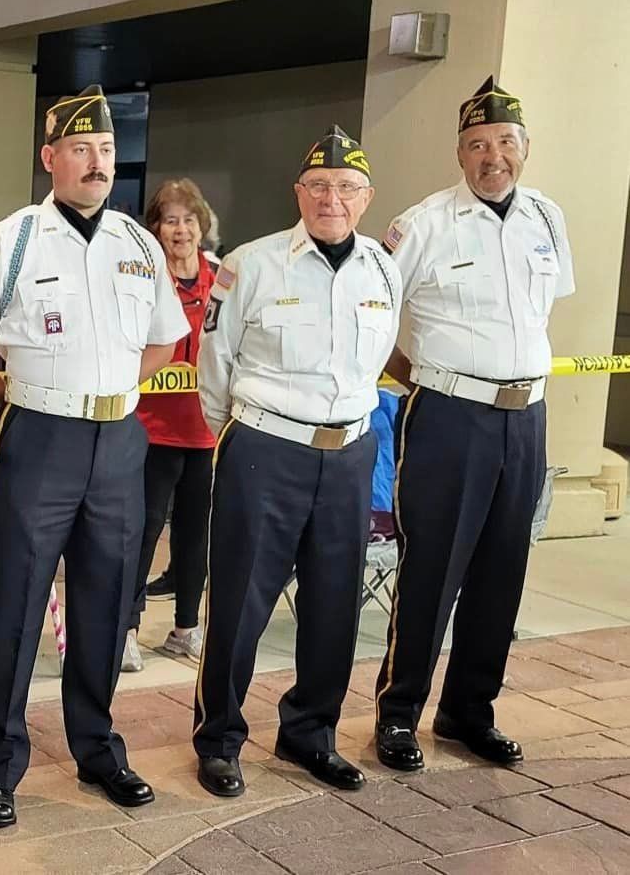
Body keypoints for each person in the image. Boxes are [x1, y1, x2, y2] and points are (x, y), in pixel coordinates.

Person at [0, 84, 188, 828]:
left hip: (117, 441)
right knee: (14, 601)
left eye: (106, 150)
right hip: (38, 439)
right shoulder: (8, 240)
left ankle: (96, 748)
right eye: (80, 149)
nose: (96, 163)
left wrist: (108, 395)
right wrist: (9, 400)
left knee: (107, 600)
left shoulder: (138, 243)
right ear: (50, 157)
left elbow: (163, 339)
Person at [373, 78, 575, 773]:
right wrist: (421, 377)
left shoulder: (545, 218)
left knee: (501, 573)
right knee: (433, 570)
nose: (493, 156)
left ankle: (468, 712)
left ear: (524, 149)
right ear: (459, 154)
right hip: (449, 417)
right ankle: (397, 716)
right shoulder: (423, 224)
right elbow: (368, 313)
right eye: (477, 145)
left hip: (525, 419)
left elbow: (542, 313)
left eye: (505, 143)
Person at [193, 126, 400, 798]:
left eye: (344, 188)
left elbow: (377, 359)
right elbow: (213, 365)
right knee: (240, 601)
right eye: (317, 186)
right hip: (264, 448)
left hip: (347, 453)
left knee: (334, 604)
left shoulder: (382, 267)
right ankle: (219, 738)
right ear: (297, 194)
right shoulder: (250, 264)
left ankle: (310, 733)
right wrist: (247, 434)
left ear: (365, 197)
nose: (330, 199)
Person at [124, 179, 219, 672]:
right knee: (142, 531)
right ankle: (127, 630)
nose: (180, 230)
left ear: (202, 226)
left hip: (205, 431)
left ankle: (186, 626)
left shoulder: (221, 278)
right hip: (151, 429)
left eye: (188, 220)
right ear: (155, 229)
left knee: (194, 534)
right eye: (169, 220)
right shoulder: (143, 277)